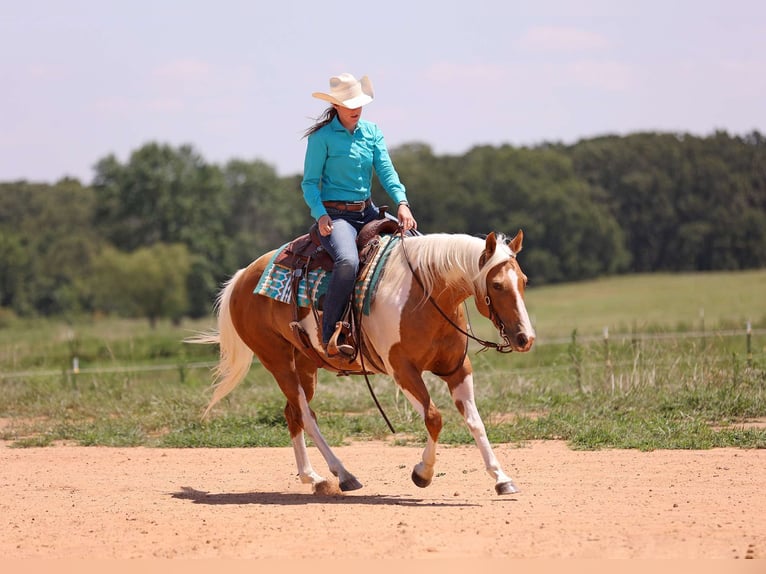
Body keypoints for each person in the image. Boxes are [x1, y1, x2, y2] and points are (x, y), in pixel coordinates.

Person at [301, 72, 417, 359]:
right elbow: (308, 183)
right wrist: (321, 215)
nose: (355, 109)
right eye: (348, 103)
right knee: (348, 261)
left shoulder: (372, 132)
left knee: (416, 244)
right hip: (337, 217)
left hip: (368, 212)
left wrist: (402, 202)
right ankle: (330, 333)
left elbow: (388, 174)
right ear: (336, 106)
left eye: (359, 103)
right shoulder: (322, 138)